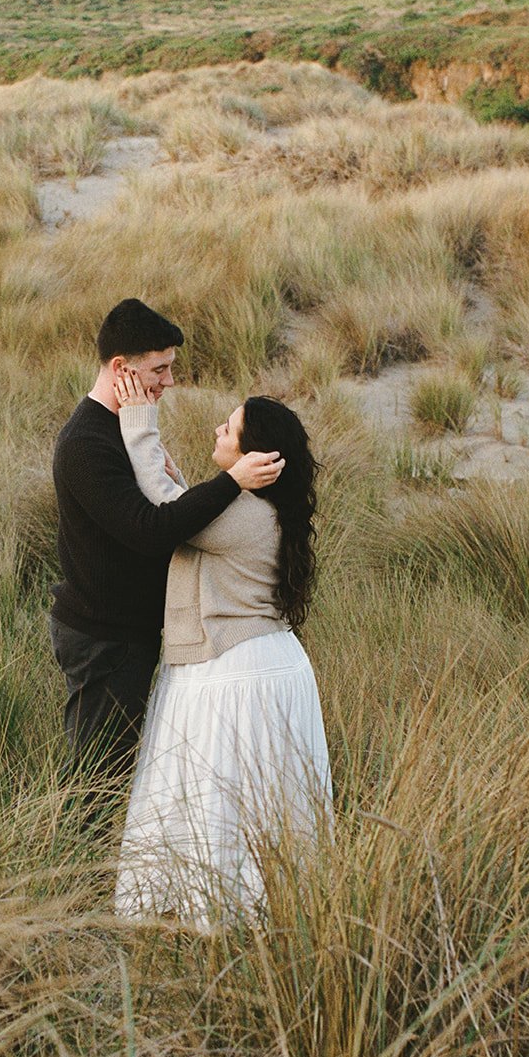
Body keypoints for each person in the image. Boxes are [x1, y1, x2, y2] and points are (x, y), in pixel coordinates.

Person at [112, 373, 331, 924]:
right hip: (269, 664)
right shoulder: (260, 510)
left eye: (228, 427)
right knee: (256, 802)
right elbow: (195, 506)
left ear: (250, 457)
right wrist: (198, 477)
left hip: (235, 670)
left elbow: (168, 511)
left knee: (218, 795)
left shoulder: (242, 514)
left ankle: (220, 915)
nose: (218, 428)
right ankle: (263, 909)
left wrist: (140, 425)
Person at [50, 299, 285, 812]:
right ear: (121, 369)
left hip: (127, 635)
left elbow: (166, 506)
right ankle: (68, 876)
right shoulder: (87, 444)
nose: (168, 382)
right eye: (159, 369)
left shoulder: (124, 430)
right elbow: (151, 530)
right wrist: (231, 481)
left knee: (115, 774)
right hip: (102, 638)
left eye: (170, 368)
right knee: (95, 784)